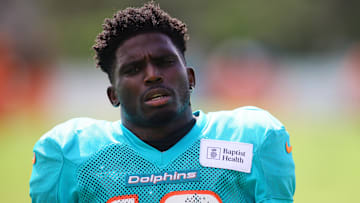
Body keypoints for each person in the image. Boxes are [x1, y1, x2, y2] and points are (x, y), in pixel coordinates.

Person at [29, 2, 295, 202]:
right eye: (133, 69)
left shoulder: (249, 139)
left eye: (165, 62)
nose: (153, 75)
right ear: (114, 95)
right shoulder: (71, 155)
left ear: (190, 77)